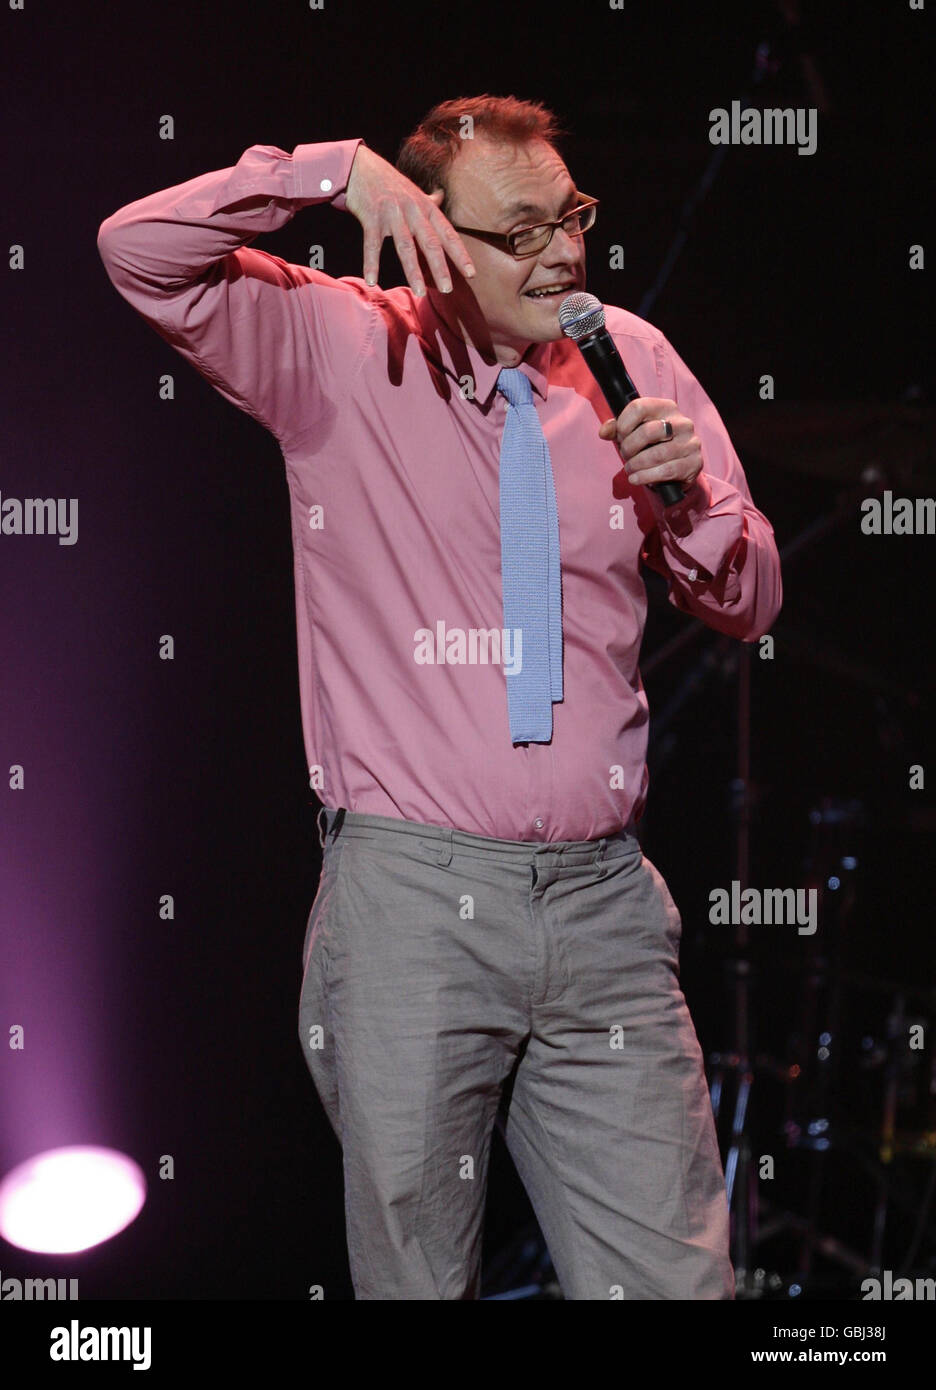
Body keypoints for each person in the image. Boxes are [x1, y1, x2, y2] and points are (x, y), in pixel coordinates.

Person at [97, 93, 782, 1300]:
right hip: (414, 903)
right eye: (520, 232)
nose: (564, 252)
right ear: (429, 231)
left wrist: (696, 509)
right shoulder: (338, 347)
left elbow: (752, 599)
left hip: (604, 906)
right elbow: (135, 248)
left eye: (570, 217)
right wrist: (324, 176)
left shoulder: (630, 356)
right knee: (419, 1283)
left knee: (680, 1284)